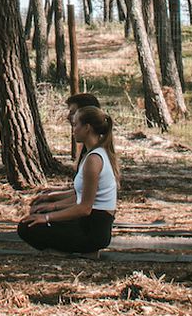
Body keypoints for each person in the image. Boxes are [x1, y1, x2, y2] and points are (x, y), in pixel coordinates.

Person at [17, 106, 118, 253]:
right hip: (87, 223)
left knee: (26, 228)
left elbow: (84, 208)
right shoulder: (93, 155)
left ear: (87, 128)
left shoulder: (94, 159)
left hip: (93, 231)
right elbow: (79, 195)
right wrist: (50, 203)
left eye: (76, 124)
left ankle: (81, 251)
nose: (73, 130)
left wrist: (47, 217)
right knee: (33, 220)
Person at [30, 92, 102, 213]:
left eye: (73, 112)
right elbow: (79, 192)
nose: (68, 117)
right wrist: (50, 197)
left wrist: (52, 207)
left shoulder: (95, 157)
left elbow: (86, 202)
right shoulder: (88, 149)